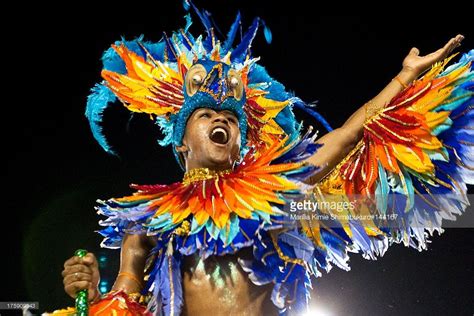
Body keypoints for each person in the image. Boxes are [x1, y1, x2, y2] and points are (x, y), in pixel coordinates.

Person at [54, 6, 472, 316]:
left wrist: (404, 77)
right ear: (182, 144)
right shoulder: (151, 223)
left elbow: (345, 138)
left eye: (231, 118)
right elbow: (125, 303)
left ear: (239, 143)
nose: (220, 118)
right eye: (205, 114)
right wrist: (91, 297)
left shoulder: (276, 198)